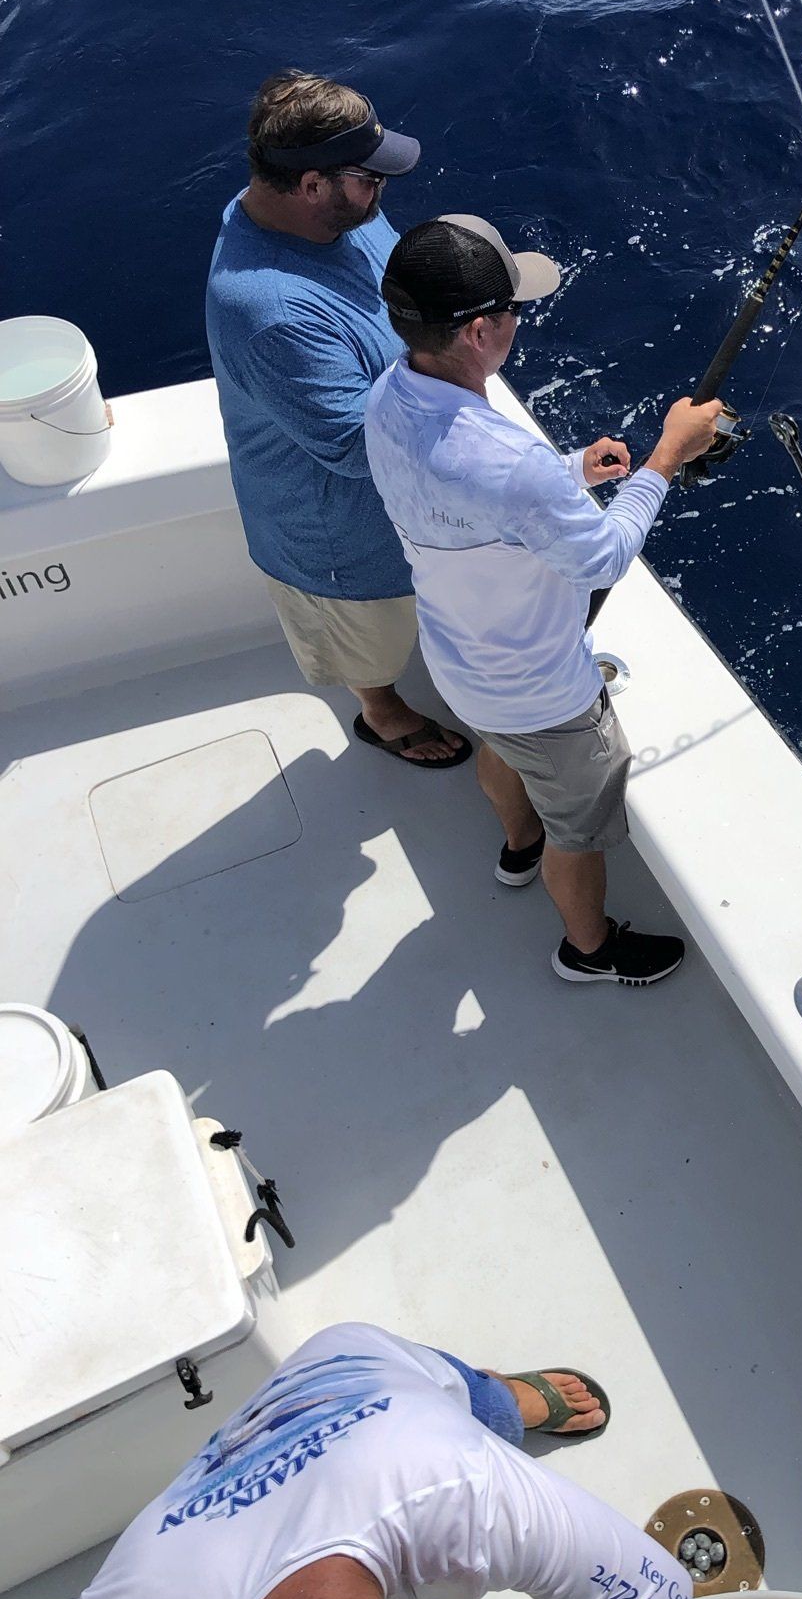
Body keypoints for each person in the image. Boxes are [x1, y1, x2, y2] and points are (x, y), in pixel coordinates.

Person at [0, 1323, 689, 1599]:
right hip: (370, 1457)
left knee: (475, 1404)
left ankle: (504, 1397)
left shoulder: (472, 1490)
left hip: (360, 1368)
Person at [365, 216, 723, 989]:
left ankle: (517, 847)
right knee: (579, 830)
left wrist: (571, 473)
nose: (518, 319)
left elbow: (465, 494)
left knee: (501, 751)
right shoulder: (509, 464)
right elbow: (602, 558)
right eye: (512, 308)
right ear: (479, 331)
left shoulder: (386, 397)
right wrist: (668, 454)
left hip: (460, 666)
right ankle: (588, 950)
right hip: (545, 697)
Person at [206, 69, 469, 770]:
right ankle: (381, 713)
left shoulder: (331, 211)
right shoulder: (271, 313)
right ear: (310, 184)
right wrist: (466, 360)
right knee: (369, 642)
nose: (382, 191)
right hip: (343, 536)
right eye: (369, 178)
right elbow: (359, 450)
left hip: (408, 493)